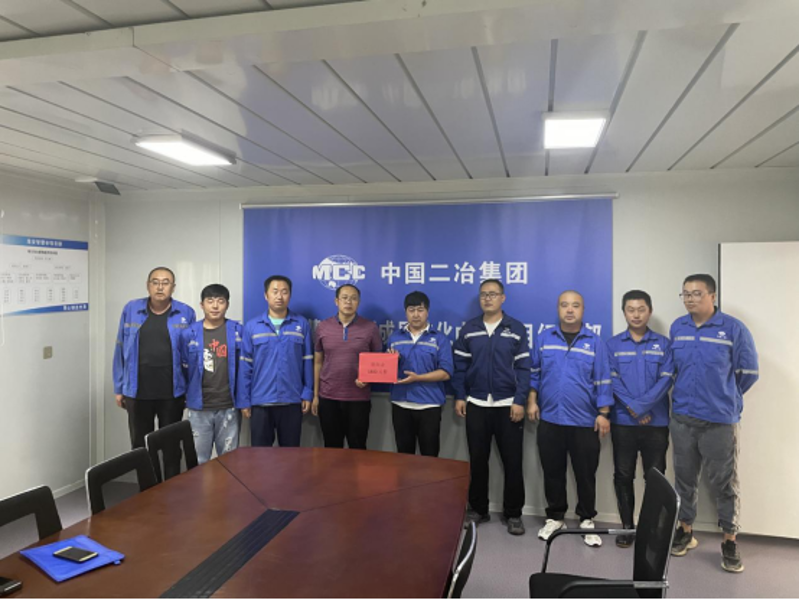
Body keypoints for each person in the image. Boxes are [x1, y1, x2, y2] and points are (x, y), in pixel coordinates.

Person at [669, 274, 759, 573]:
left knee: (724, 483)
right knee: (684, 479)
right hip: (683, 418)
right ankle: (685, 530)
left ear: (712, 296)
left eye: (696, 293)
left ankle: (729, 540)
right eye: (685, 294)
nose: (690, 299)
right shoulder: (678, 328)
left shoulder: (733, 328)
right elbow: (675, 370)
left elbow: (748, 373)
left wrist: (724, 397)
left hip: (719, 421)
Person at [527, 290, 612, 547]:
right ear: (558, 309)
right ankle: (555, 517)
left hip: (584, 421)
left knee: (585, 474)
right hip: (550, 418)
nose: (570, 310)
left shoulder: (595, 342)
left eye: (575, 305)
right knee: (552, 472)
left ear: (583, 310)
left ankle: (586, 519)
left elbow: (603, 379)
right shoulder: (544, 339)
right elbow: (534, 374)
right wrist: (532, 400)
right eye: (564, 305)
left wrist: (603, 413)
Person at [453, 279, 531, 536]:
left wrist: (519, 400)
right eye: (484, 294)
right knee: (477, 461)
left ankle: (513, 513)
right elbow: (460, 367)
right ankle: (478, 509)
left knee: (513, 462)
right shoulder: (469, 329)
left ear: (502, 298)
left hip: (508, 405)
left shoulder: (515, 329)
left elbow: (524, 368)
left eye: (493, 294)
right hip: (476, 404)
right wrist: (460, 396)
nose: (488, 298)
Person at [113, 266, 195, 479]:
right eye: (155, 282)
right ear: (148, 285)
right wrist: (119, 387)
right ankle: (147, 491)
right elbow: (120, 348)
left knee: (171, 446)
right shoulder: (131, 309)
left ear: (173, 287)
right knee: (140, 447)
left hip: (172, 392)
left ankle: (172, 490)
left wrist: (191, 390)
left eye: (165, 283)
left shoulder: (185, 312)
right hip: (137, 391)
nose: (160, 287)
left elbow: (192, 355)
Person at [607, 290, 673, 547]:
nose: (636, 315)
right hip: (623, 422)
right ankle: (627, 527)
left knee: (655, 478)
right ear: (624, 312)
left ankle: (652, 529)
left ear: (650, 311)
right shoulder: (612, 345)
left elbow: (666, 380)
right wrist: (634, 408)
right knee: (623, 475)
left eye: (641, 309)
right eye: (631, 310)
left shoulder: (664, 344)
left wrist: (642, 408)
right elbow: (612, 380)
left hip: (656, 423)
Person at [238, 275, 313, 447]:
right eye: (275, 291)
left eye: (284, 292)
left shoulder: (301, 324)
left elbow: (308, 361)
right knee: (260, 455)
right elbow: (245, 366)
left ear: (290, 295)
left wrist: (307, 393)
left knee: (291, 454)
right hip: (261, 401)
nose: (280, 296)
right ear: (266, 295)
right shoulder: (252, 326)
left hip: (292, 400)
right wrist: (244, 400)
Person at [179, 284, 245, 464]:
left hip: (228, 405)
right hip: (199, 407)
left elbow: (245, 368)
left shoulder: (238, 331)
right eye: (210, 301)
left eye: (220, 301)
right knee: (198, 461)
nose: (215, 306)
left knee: (229, 460)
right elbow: (183, 367)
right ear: (202, 305)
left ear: (227, 304)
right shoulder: (189, 334)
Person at [312, 284, 382, 449]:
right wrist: (315, 396)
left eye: (353, 298)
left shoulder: (370, 328)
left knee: (357, 448)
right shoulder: (323, 327)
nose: (348, 302)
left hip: (358, 398)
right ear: (336, 301)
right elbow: (318, 362)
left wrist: (368, 378)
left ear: (359, 302)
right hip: (328, 397)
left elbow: (378, 361)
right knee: (331, 447)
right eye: (344, 298)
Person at [387, 291, 454, 457]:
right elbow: (386, 370)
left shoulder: (440, 339)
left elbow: (446, 372)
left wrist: (418, 378)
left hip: (429, 405)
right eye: (411, 310)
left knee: (430, 457)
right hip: (401, 403)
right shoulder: (395, 338)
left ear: (427, 312)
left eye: (420, 310)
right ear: (405, 312)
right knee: (403, 456)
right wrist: (391, 361)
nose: (416, 315)